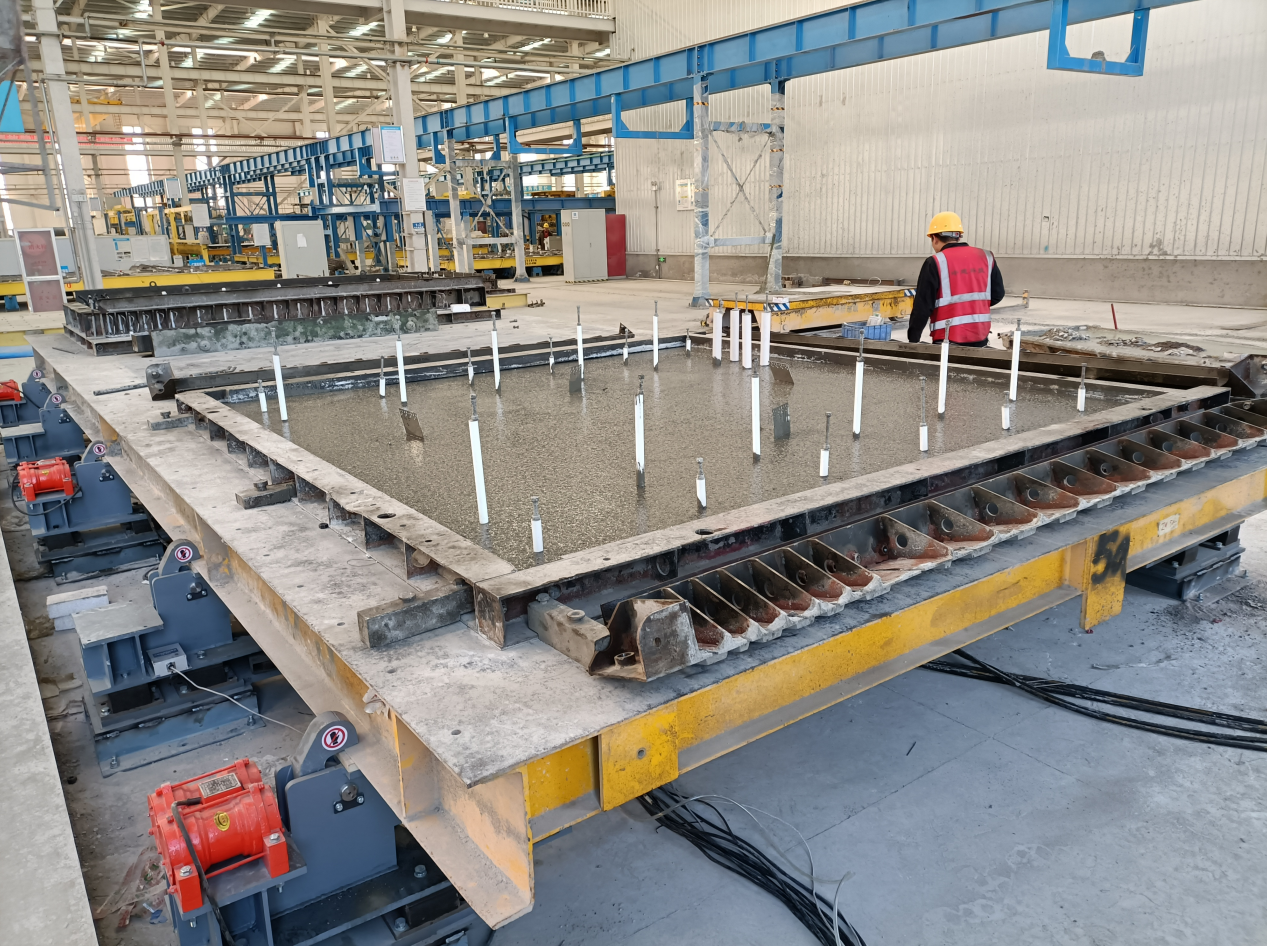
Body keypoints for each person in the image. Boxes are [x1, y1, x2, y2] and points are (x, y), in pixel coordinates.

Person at [906, 212, 1005, 347]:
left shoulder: (935, 262)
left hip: (947, 339)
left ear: (934, 238)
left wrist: (913, 340)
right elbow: (998, 294)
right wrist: (974, 307)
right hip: (980, 335)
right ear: (958, 236)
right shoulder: (986, 257)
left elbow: (922, 306)